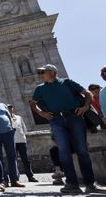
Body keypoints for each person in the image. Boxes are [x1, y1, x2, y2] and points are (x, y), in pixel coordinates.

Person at [30, 64, 106, 194]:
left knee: (82, 150)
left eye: (43, 72)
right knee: (64, 151)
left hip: (75, 117)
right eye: (40, 72)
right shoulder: (40, 89)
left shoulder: (67, 82)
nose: (40, 74)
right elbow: (32, 103)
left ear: (52, 72)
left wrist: (86, 106)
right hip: (56, 121)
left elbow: (87, 93)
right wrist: (42, 113)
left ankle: (90, 184)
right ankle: (71, 184)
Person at [0, 88, 24, 188]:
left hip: (8, 132)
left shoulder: (3, 105)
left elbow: (9, 116)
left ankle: (14, 180)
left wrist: (12, 128)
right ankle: (3, 180)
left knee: (12, 156)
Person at [7, 104, 38, 183]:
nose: (10, 109)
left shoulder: (19, 117)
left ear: (13, 109)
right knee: (13, 160)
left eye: (11, 108)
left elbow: (24, 128)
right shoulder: (6, 118)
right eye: (8, 108)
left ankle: (30, 176)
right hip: (12, 141)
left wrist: (24, 137)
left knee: (26, 159)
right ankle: (16, 177)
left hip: (21, 140)